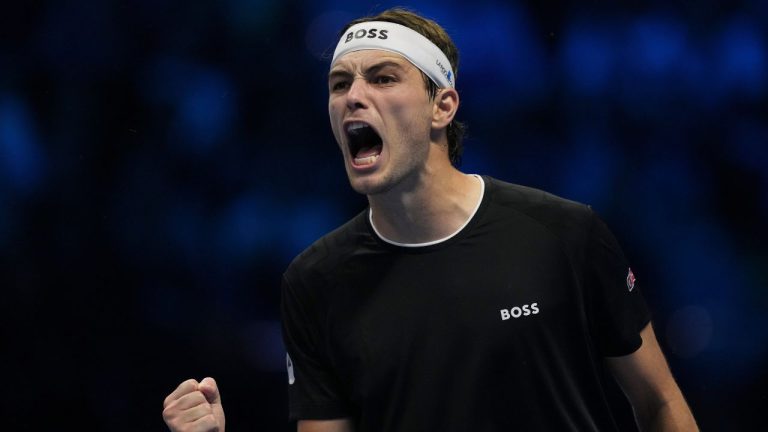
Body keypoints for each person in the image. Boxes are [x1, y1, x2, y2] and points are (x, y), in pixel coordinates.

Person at [163, 7, 699, 432]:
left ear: (442, 106)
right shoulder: (313, 282)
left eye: (382, 77)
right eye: (339, 84)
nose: (353, 97)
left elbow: (659, 404)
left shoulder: (566, 235)